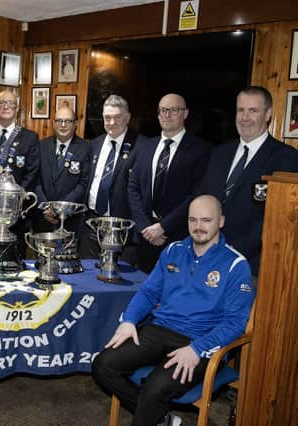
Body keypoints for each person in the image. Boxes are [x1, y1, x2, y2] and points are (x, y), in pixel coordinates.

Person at [92, 195, 254, 426]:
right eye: (193, 220)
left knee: (155, 387)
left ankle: (152, 416)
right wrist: (129, 320)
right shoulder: (172, 251)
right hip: (160, 329)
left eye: (206, 220)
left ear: (221, 222)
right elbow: (148, 293)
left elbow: (236, 323)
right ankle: (160, 419)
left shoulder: (236, 265)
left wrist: (197, 348)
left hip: (200, 341)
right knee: (103, 365)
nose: (198, 227)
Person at [198, 86, 298, 277]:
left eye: (253, 111)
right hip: (206, 257)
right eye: (240, 110)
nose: (244, 117)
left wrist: (229, 254)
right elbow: (203, 198)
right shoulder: (219, 153)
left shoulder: (286, 158)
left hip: (248, 267)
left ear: (268, 114)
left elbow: (274, 218)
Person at [128, 93, 211, 273]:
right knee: (145, 292)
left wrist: (163, 227)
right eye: (163, 110)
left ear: (185, 114)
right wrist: (145, 228)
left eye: (174, 110)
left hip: (177, 237)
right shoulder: (145, 146)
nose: (167, 115)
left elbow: (196, 195)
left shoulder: (201, 150)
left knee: (175, 294)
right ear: (158, 114)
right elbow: (133, 188)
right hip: (146, 239)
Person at [0, 90, 40, 254]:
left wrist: (15, 200)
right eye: (1, 103)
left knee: (14, 259)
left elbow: (32, 173)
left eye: (10, 103)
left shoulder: (29, 137)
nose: (6, 106)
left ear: (17, 109)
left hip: (16, 212)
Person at [81, 94, 145, 261]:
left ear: (127, 118)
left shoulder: (141, 146)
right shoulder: (95, 144)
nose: (111, 123)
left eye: (117, 117)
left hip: (121, 228)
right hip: (92, 225)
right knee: (90, 275)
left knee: (117, 279)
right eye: (107, 118)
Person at [34, 106, 88, 240]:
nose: (63, 125)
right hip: (43, 218)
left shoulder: (86, 148)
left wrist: (61, 209)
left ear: (75, 124)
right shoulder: (41, 146)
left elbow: (84, 182)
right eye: (59, 121)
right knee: (42, 256)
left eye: (68, 121)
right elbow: (35, 179)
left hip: (71, 220)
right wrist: (46, 207)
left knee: (67, 258)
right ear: (53, 124)